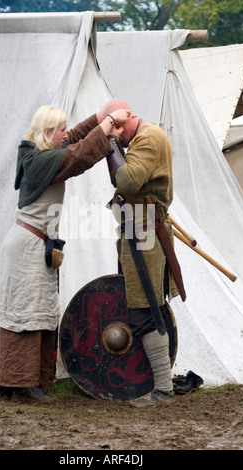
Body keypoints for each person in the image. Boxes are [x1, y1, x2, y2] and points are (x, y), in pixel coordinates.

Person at [0, 104, 130, 401]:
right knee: (28, 314)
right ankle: (21, 385)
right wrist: (107, 123)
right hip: (28, 246)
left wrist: (97, 119)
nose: (67, 134)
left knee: (28, 311)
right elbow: (78, 155)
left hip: (30, 244)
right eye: (62, 130)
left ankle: (8, 381)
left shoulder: (41, 154)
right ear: (47, 133)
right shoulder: (44, 161)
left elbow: (73, 142)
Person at [98, 99, 181, 404]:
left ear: (125, 119)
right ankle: (161, 384)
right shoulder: (142, 138)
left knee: (145, 309)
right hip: (139, 231)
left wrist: (109, 143)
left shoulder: (148, 137)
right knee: (146, 305)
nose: (117, 135)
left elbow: (129, 179)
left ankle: (163, 389)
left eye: (116, 128)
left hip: (144, 233)